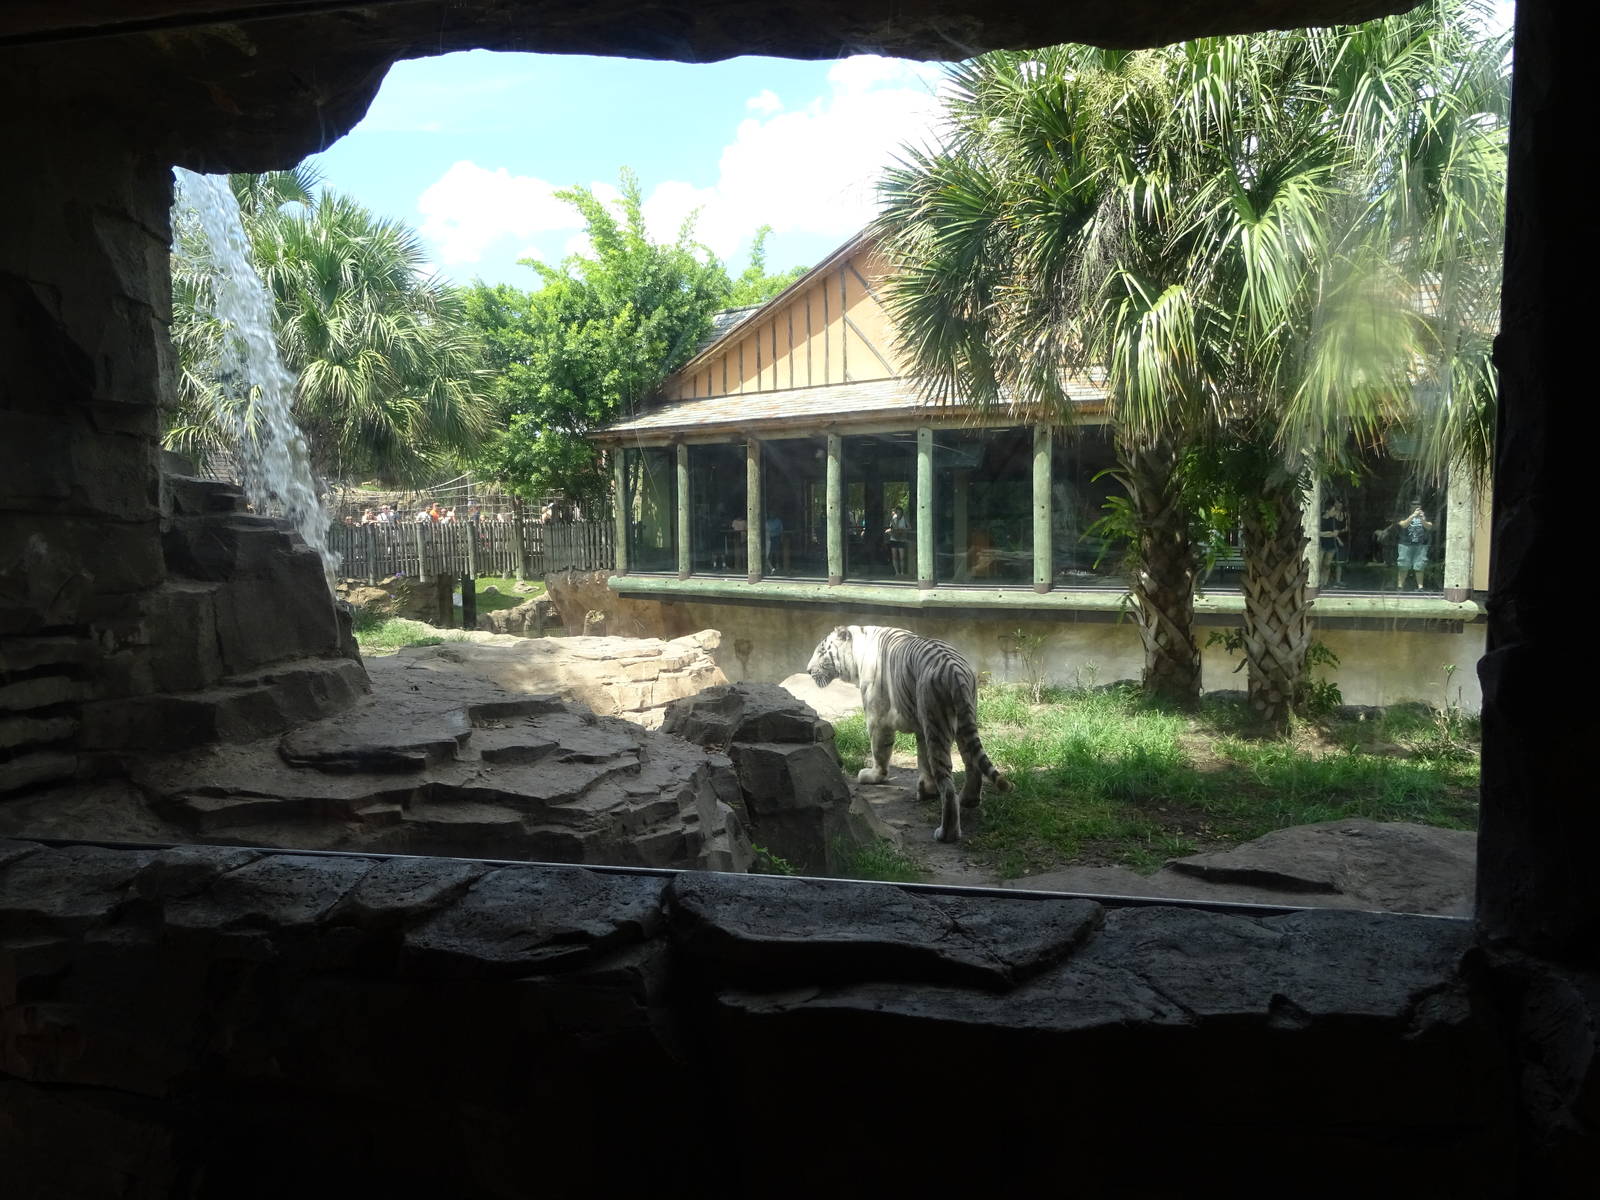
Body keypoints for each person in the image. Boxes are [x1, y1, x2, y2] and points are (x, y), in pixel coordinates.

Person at [1392, 499, 1435, 591]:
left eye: (1418, 504)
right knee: (1403, 565)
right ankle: (1400, 587)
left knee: (1420, 566)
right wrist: (1412, 516)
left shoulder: (1425, 515)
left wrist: (1422, 520)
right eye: (1414, 504)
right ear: (1410, 506)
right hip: (1405, 544)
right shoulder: (1404, 514)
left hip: (1421, 545)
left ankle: (1420, 587)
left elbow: (1429, 526)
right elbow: (1403, 525)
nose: (1416, 506)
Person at [1318, 498, 1348, 588]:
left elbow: (1335, 533)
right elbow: (1317, 533)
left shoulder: (1333, 521)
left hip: (1331, 544)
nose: (1335, 512)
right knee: (1319, 564)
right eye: (1333, 510)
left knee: (1327, 565)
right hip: (1321, 544)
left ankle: (1325, 583)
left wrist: (1325, 534)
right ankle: (1318, 582)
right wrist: (1328, 533)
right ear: (1327, 511)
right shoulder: (1320, 519)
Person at [886, 505, 911, 577]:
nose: (898, 514)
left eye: (900, 512)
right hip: (894, 538)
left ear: (902, 513)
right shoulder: (893, 519)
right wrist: (896, 520)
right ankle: (897, 572)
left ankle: (902, 572)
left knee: (902, 556)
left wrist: (903, 529)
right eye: (897, 512)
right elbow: (894, 528)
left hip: (902, 539)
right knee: (894, 556)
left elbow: (909, 527)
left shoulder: (904, 519)